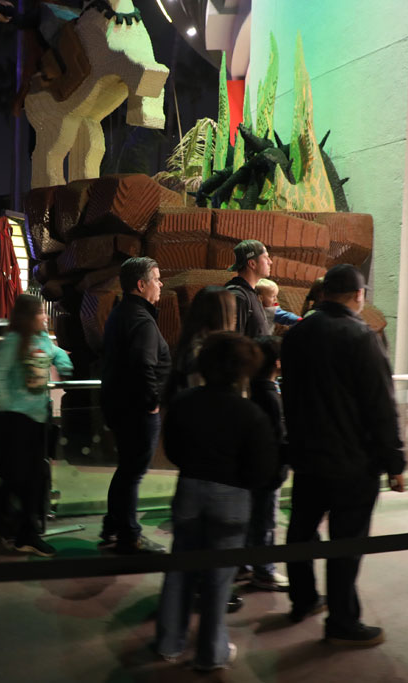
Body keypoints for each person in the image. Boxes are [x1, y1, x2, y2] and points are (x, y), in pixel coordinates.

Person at [280, 264, 406, 646]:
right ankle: (342, 620)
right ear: (359, 295)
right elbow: (379, 405)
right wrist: (394, 461)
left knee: (300, 531)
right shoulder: (361, 336)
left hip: (306, 455)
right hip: (353, 461)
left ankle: (302, 599)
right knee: (346, 543)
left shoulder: (297, 333)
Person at [154, 332, 279, 671]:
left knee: (180, 568)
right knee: (218, 578)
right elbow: (262, 470)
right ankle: (211, 652)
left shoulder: (184, 402)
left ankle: (169, 642)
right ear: (243, 371)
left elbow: (173, 451)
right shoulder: (250, 414)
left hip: (190, 489)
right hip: (232, 498)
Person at [0, 294, 73, 557]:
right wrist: (8, 407)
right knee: (25, 478)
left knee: (27, 478)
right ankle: (23, 532)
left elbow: (56, 354)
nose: (44, 317)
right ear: (27, 317)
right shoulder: (14, 342)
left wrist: (65, 365)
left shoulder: (42, 340)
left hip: (37, 419)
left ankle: (5, 523)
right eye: (39, 313)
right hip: (17, 421)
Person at [99, 257, 171, 554]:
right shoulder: (141, 320)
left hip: (121, 406)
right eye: (156, 278)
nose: (161, 284)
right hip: (138, 410)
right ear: (141, 285)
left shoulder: (121, 313)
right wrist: (152, 403)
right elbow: (143, 365)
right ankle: (130, 535)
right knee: (132, 472)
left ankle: (114, 524)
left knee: (126, 469)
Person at [242, 336, 290, 592]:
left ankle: (246, 564)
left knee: (253, 518)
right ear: (277, 363)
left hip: (252, 469)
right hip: (269, 471)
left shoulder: (252, 390)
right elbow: (277, 437)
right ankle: (264, 571)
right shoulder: (270, 395)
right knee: (265, 521)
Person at [162, 285, 236, 405]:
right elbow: (200, 399)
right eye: (233, 313)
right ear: (222, 316)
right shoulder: (201, 350)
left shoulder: (193, 342)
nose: (235, 318)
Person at [224, 240, 272, 338]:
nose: (270, 262)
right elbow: (235, 342)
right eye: (265, 257)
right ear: (252, 264)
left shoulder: (252, 294)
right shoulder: (238, 296)